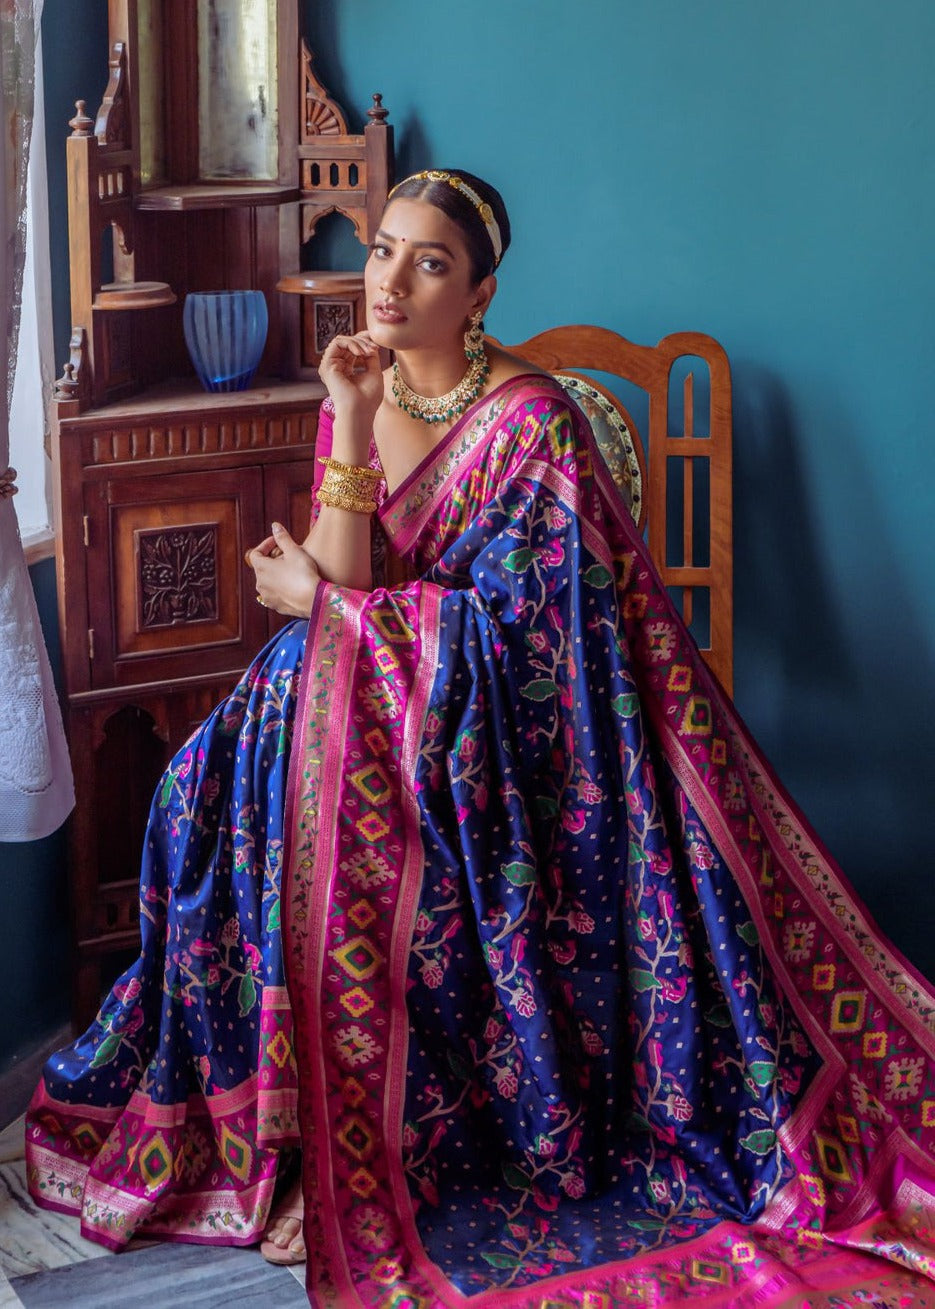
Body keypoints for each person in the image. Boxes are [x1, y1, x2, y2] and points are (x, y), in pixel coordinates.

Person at [26, 170, 935, 1306]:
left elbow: (531, 648)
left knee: (350, 832)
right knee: (201, 798)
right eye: (384, 251)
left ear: (480, 292)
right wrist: (351, 421)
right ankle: (291, 1135)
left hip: (494, 742)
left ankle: (364, 1154)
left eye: (430, 263)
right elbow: (350, 569)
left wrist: (322, 607)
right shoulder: (353, 384)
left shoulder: (533, 425)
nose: (392, 280)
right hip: (358, 687)